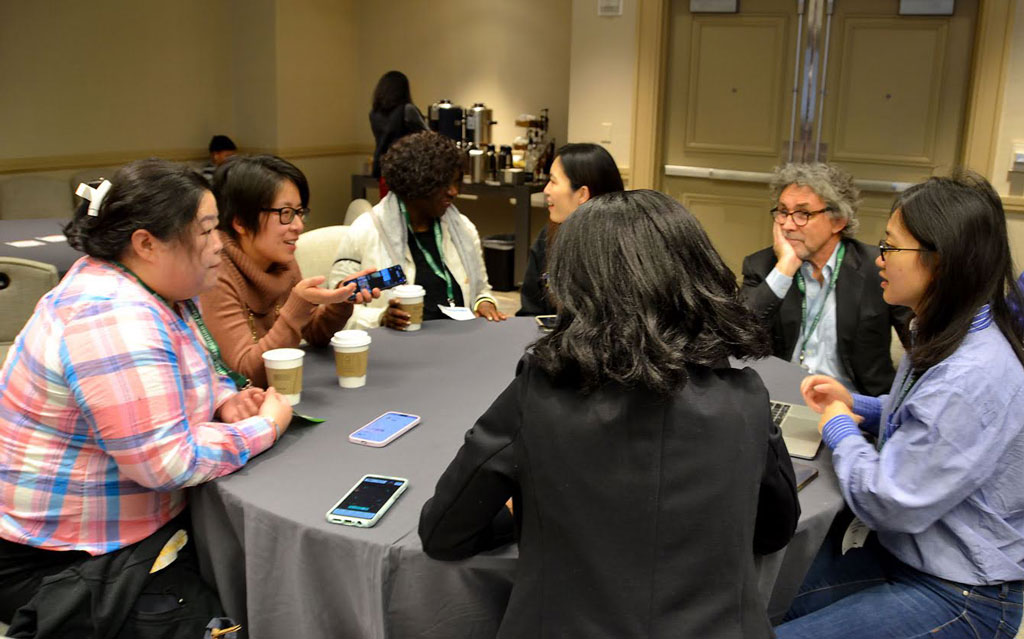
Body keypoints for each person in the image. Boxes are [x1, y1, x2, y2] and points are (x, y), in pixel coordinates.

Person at [419, 190, 800, 639]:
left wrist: (521, 514)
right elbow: (774, 532)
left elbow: (445, 532)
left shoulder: (538, 395)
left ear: (577, 287)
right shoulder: (747, 401)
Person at [0, 159, 293, 635]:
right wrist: (266, 426)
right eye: (205, 231)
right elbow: (164, 464)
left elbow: (195, 364)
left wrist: (223, 401)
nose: (220, 245)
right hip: (65, 558)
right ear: (146, 243)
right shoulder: (113, 318)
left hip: (118, 535)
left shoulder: (147, 286)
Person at [775, 172, 1024, 639]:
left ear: (941, 261)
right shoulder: (947, 328)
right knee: (760, 605)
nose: (880, 260)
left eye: (890, 247)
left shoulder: (971, 375)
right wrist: (860, 406)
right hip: (908, 551)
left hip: (961, 591)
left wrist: (838, 426)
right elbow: (922, 416)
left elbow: (886, 502)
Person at [199, 155, 378, 388]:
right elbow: (246, 374)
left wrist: (340, 299)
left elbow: (314, 333)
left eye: (299, 212)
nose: (298, 226)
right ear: (241, 221)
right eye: (285, 213)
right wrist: (297, 306)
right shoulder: (215, 272)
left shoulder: (281, 260)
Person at [741, 163, 911, 396]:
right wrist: (785, 268)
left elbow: (921, 346)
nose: (788, 225)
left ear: (838, 221)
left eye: (803, 214)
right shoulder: (763, 267)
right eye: (782, 212)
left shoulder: (878, 268)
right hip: (782, 399)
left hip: (857, 404)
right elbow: (739, 336)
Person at [329, 131, 506, 330]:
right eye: (443, 184)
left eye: (456, 182)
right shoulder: (366, 231)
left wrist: (484, 302)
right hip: (394, 349)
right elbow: (334, 304)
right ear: (415, 184)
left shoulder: (462, 228)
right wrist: (381, 318)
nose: (453, 191)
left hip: (460, 342)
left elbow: (481, 289)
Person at [516, 142, 624, 316]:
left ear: (582, 194)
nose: (546, 190)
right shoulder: (549, 236)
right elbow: (531, 311)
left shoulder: (622, 245)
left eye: (552, 181)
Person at [369, 70, 427, 193]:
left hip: (383, 170)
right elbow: (428, 137)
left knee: (389, 209)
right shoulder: (407, 110)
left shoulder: (374, 114)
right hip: (407, 171)